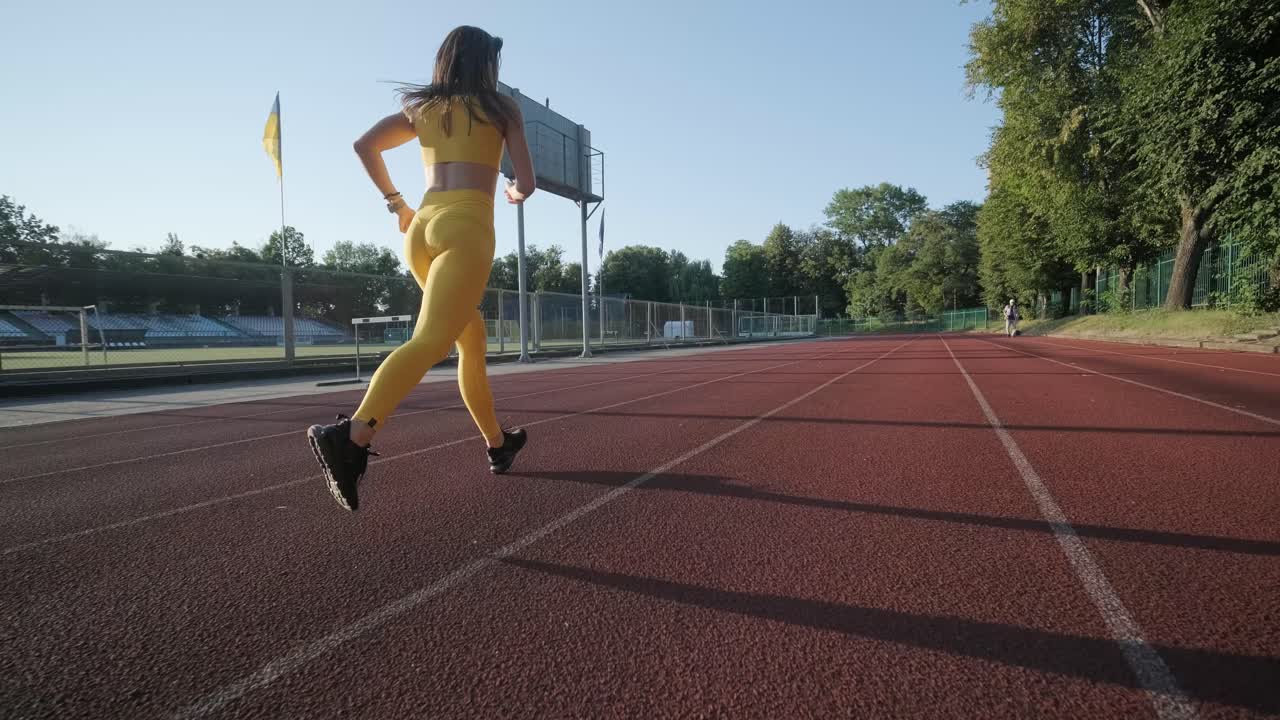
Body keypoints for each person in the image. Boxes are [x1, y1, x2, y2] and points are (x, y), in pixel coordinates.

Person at [307, 26, 536, 512]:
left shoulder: (423, 108)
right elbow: (527, 182)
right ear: (486, 65)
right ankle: (353, 435)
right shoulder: (502, 109)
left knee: (469, 335)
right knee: (431, 340)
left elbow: (364, 145)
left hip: (421, 230)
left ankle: (498, 442)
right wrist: (514, 193)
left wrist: (397, 205)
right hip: (466, 229)